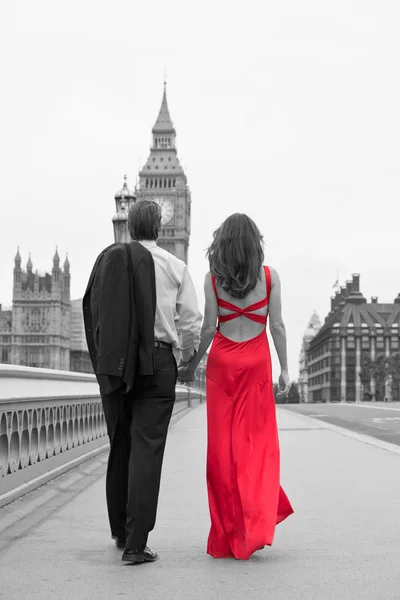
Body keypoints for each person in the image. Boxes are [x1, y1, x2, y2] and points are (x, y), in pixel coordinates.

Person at [83, 199, 202, 565]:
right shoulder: (175, 266)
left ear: (130, 228)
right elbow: (191, 324)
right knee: (146, 450)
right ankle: (136, 544)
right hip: (158, 362)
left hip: (116, 365)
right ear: (160, 229)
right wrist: (183, 360)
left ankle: (119, 530)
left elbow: (93, 309)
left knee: (120, 444)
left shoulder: (110, 262)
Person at [178, 213, 294, 560]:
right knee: (257, 449)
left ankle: (228, 533)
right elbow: (278, 327)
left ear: (222, 244)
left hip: (223, 367)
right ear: (254, 243)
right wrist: (285, 368)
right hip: (257, 364)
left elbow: (208, 329)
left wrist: (191, 366)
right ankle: (254, 525)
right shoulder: (270, 278)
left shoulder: (213, 280)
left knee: (222, 453)